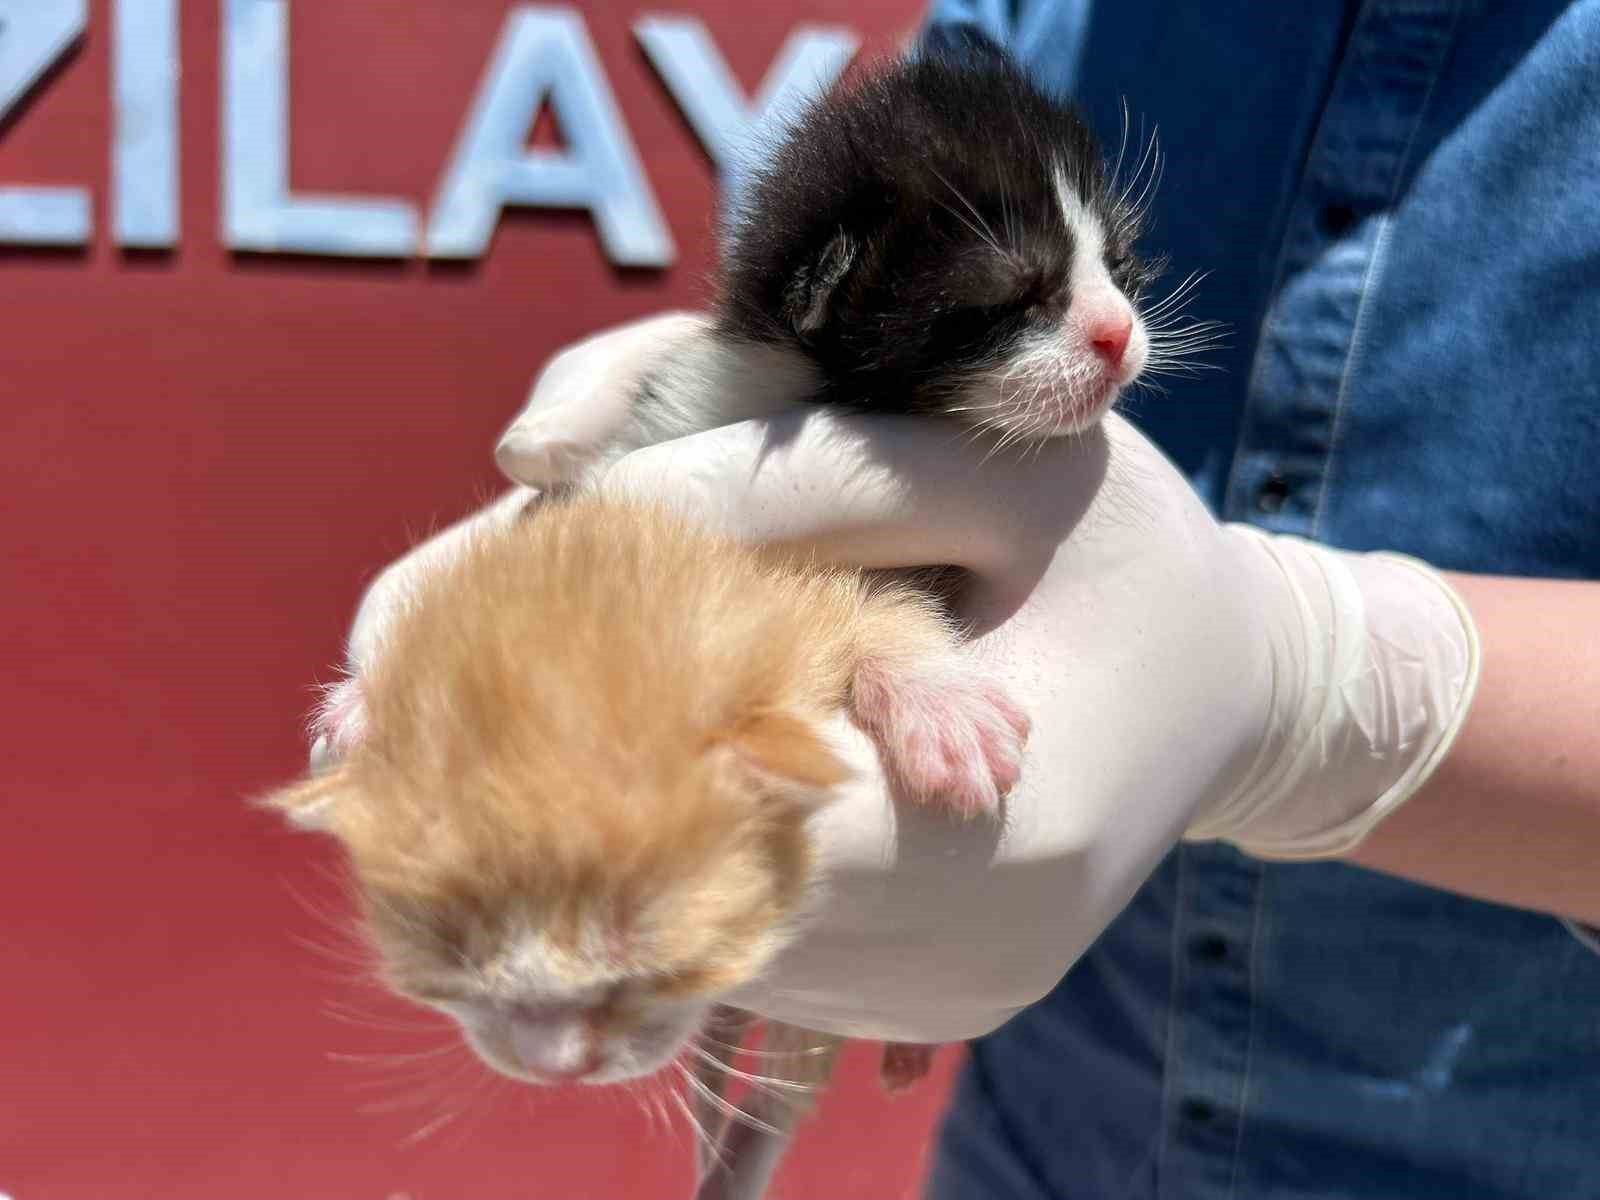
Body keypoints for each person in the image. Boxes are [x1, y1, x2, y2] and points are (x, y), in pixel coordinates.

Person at [332, 3, 1600, 1196]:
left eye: (1116, 268)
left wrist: (1314, 682)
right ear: (822, 300)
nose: (1118, 332)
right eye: (1017, 302)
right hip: (1051, 1139)